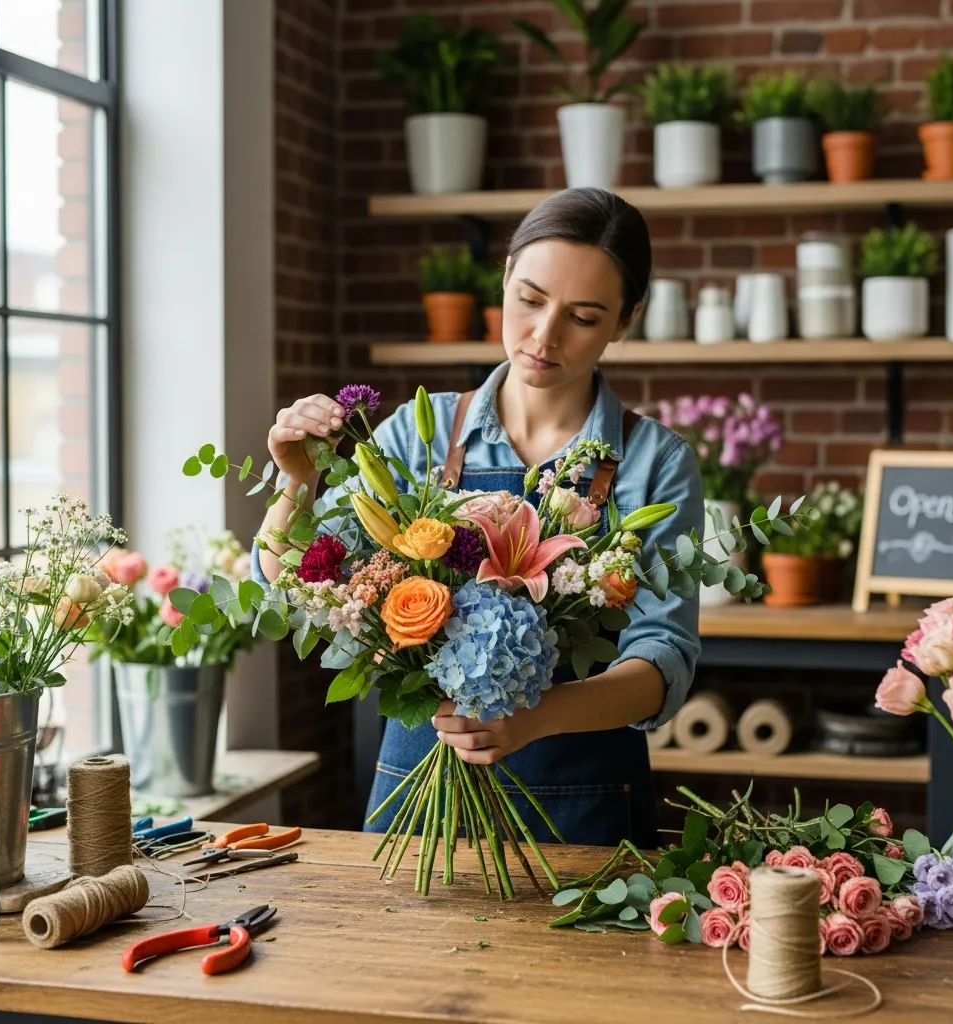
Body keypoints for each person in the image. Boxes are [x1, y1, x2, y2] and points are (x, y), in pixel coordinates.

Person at [251, 187, 703, 848]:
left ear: (626, 319)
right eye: (528, 299)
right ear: (505, 278)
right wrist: (295, 481)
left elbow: (663, 660)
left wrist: (531, 717)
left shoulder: (653, 462)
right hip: (416, 799)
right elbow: (290, 582)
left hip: (584, 814)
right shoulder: (419, 436)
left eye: (583, 316)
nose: (544, 336)